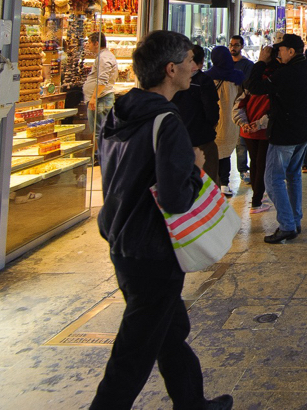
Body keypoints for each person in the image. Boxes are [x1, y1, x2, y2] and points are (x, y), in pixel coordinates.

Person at [90, 30, 232, 410]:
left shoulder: (117, 113)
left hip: (121, 236)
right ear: (171, 69)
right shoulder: (166, 122)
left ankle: (192, 403)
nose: (194, 67)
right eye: (189, 60)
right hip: (153, 247)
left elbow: (115, 176)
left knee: (170, 330)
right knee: (133, 353)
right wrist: (194, 167)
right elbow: (175, 198)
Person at [251, 34, 307, 244]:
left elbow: (253, 87)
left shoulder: (287, 73)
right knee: (293, 176)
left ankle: (287, 225)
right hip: (304, 132)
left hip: (285, 134)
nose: (278, 53)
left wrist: (261, 62)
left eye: (281, 50)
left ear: (291, 51)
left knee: (273, 179)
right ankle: (294, 220)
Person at [235, 47, 275, 215]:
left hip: (248, 131)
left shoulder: (249, 82)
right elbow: (273, 109)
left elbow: (238, 105)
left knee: (255, 163)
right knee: (262, 164)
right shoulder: (272, 82)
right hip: (263, 130)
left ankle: (257, 198)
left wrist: (244, 124)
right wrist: (258, 124)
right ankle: (257, 201)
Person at [172, 46, 219, 183]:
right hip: (201, 140)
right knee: (207, 183)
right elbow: (211, 111)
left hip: (179, 139)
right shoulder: (204, 81)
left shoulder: (173, 80)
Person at [202, 46, 243, 195]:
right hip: (231, 122)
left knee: (214, 152)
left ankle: (214, 184)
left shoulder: (208, 77)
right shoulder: (237, 77)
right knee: (226, 152)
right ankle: (225, 183)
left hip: (215, 121)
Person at [227, 35, 254, 183]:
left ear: (242, 46)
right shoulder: (226, 65)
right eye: (231, 45)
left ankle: (244, 170)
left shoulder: (247, 65)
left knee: (241, 140)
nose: (233, 48)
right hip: (227, 107)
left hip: (242, 106)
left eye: (236, 45)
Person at [84, 32, 120, 132]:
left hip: (101, 99)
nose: (88, 45)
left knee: (99, 132)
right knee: (101, 132)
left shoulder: (104, 57)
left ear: (96, 43)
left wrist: (94, 98)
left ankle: (99, 148)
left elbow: (102, 80)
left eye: (89, 42)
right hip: (101, 98)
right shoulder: (104, 56)